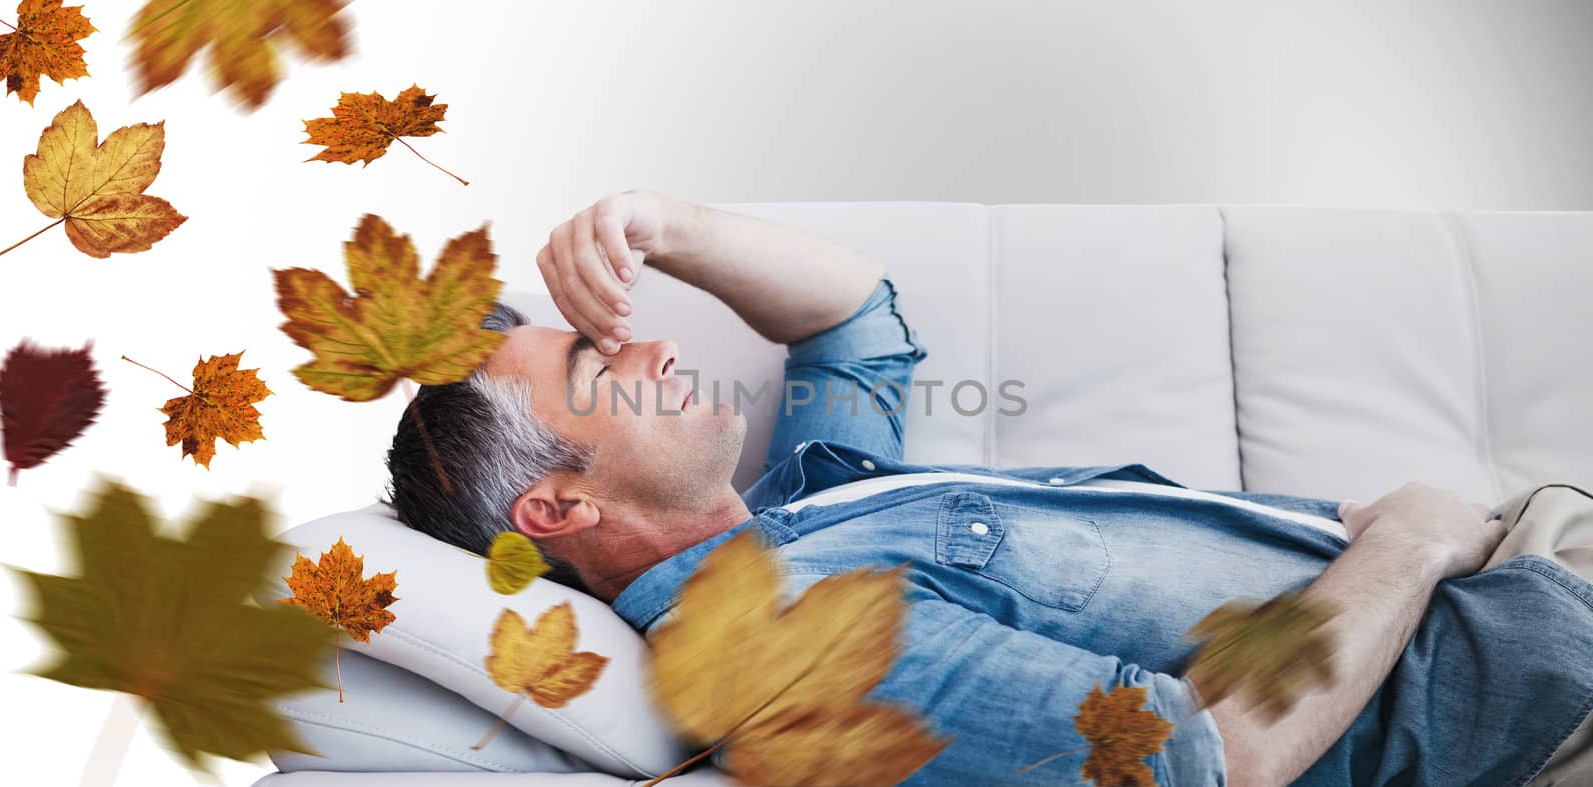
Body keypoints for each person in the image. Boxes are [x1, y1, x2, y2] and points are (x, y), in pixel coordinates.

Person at [383, 190, 1593, 786]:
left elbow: (854, 317)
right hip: (1528, 671)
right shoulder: (776, 646)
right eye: (600, 366)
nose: (648, 343)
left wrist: (660, 222)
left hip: (1521, 567)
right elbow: (1199, 762)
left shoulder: (799, 513)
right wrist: (1413, 542)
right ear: (557, 509)